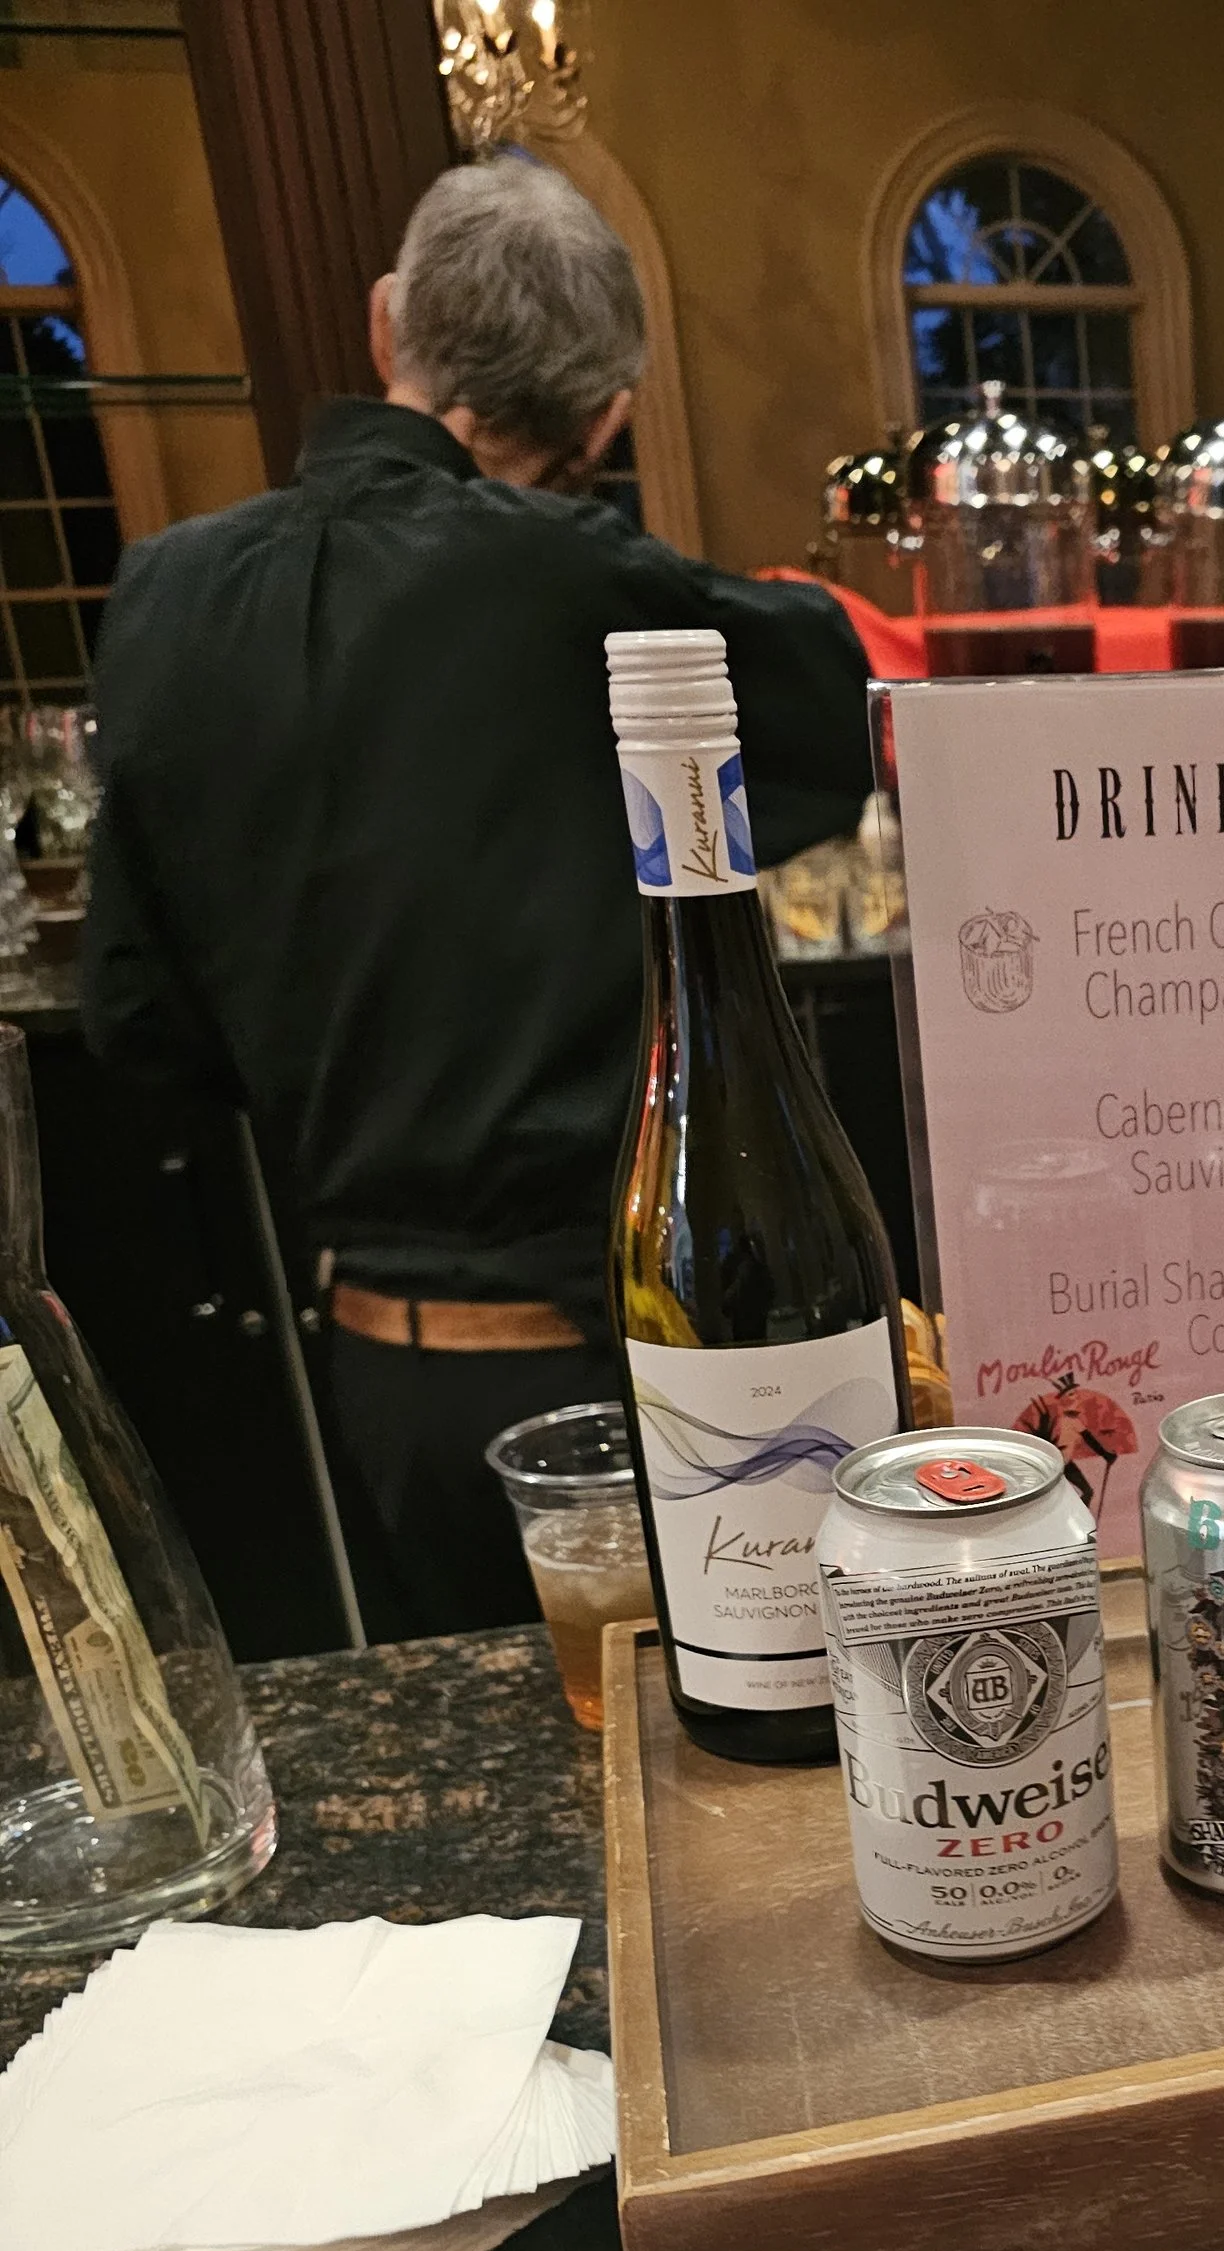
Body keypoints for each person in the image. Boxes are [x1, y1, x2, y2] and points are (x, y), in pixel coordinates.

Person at [83, 154, 876, 1639]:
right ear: (607, 415)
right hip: (632, 1363)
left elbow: (138, 1018)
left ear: (390, 329)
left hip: (373, 1368)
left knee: (505, 1806)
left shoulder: (164, 598)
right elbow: (825, 697)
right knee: (716, 1805)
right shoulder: (592, 592)